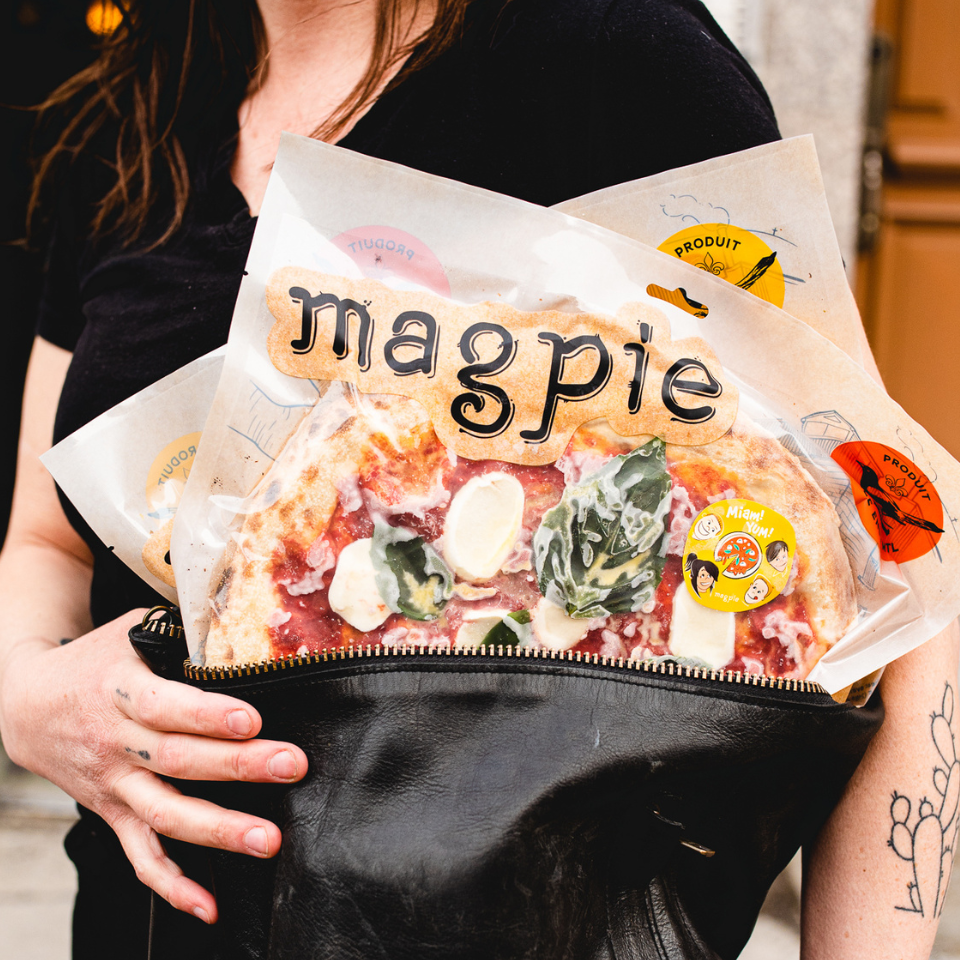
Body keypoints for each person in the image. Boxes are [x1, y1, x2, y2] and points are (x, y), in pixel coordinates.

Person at [0, 1, 955, 958]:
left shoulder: (612, 56)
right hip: (151, 923)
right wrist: (25, 694)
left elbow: (905, 560)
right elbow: (41, 539)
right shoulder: (123, 112)